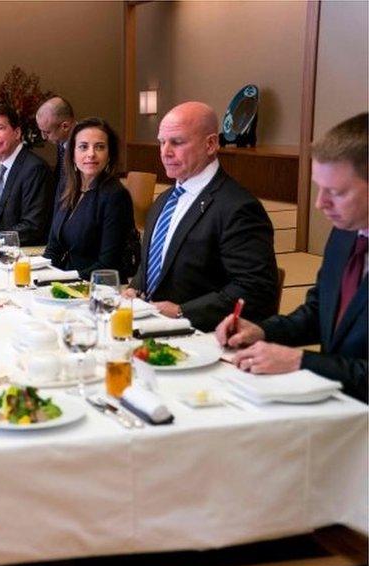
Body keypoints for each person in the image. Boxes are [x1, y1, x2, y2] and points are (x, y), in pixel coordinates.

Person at [216, 113, 368, 402]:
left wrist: (301, 362)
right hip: (338, 406)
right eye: (318, 187)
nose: (320, 203)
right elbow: (318, 312)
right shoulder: (346, 233)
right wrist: (261, 331)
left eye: (335, 192)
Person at [126, 101, 278, 331]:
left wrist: (182, 312)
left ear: (210, 144)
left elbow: (255, 289)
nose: (165, 152)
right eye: (162, 142)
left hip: (199, 336)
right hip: (149, 326)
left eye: (177, 142)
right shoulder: (165, 199)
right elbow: (156, 262)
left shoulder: (237, 207)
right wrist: (135, 287)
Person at [46, 117, 138, 279]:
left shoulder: (115, 196)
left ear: (109, 155)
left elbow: (108, 264)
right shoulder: (65, 187)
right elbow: (53, 248)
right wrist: (40, 275)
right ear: (73, 154)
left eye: (100, 147)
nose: (91, 154)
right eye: (83, 147)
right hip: (64, 281)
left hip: (96, 288)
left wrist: (63, 280)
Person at [0, 104, 54, 244]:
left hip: (20, 254)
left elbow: (32, 226)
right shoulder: (1, 168)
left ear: (17, 133)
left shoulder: (34, 169)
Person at [35, 96, 77, 216]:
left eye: (47, 132)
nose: (43, 137)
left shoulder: (84, 148)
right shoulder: (62, 142)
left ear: (65, 126)